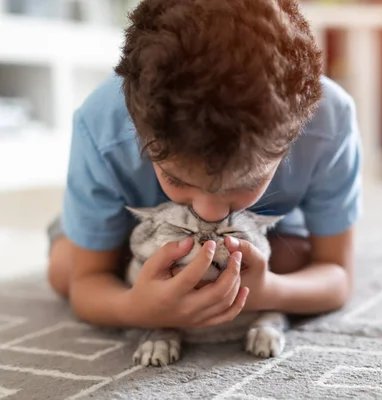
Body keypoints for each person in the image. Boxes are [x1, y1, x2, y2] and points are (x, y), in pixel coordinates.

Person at [47, 0, 362, 330]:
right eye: (177, 179)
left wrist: (268, 290)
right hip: (133, 226)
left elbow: (337, 275)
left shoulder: (329, 121)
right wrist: (135, 308)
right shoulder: (102, 124)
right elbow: (87, 281)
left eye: (244, 184)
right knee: (64, 270)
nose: (210, 214)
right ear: (136, 127)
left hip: (258, 230)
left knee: (292, 259)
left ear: (292, 140)